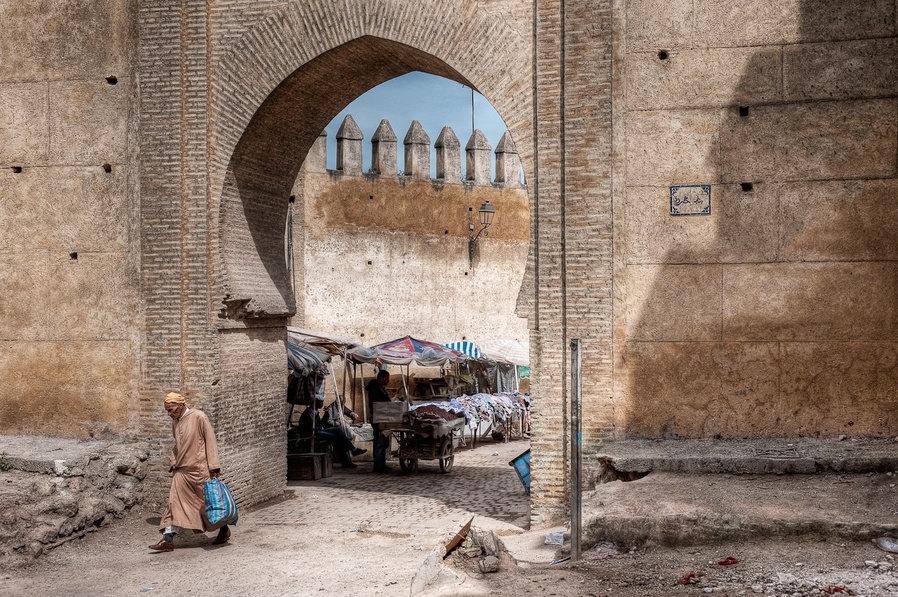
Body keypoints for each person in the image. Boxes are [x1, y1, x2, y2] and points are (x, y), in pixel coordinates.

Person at [149, 392, 230, 552]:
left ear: (181, 406)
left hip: (199, 470)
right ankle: (168, 539)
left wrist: (214, 467)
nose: (169, 414)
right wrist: (174, 460)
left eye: (171, 410)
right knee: (173, 503)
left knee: (206, 505)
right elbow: (178, 444)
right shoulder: (176, 421)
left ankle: (224, 529)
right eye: (167, 410)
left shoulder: (199, 417)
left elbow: (210, 441)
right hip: (181, 470)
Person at [298, 396, 366, 468]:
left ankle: (352, 451)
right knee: (337, 437)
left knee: (338, 430)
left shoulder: (315, 410)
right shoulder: (309, 412)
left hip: (319, 429)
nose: (322, 404)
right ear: (315, 402)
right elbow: (313, 426)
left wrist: (326, 416)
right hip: (313, 432)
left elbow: (320, 423)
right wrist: (327, 419)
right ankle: (349, 456)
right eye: (320, 402)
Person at [366, 369, 392, 473]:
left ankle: (382, 464)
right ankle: (378, 466)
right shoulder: (374, 388)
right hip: (378, 418)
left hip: (383, 417)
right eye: (386, 379)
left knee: (383, 442)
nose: (387, 381)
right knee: (379, 442)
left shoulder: (380, 388)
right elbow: (379, 402)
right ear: (380, 377)